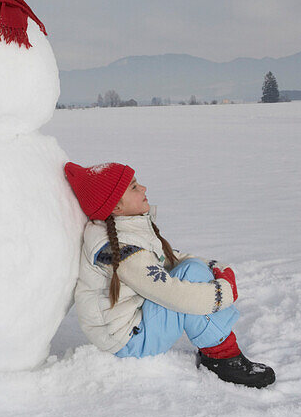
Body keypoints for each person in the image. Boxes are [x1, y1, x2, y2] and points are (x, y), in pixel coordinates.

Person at [63, 161, 275, 388]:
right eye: (134, 187)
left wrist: (214, 267)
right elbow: (171, 293)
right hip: (128, 342)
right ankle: (222, 357)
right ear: (116, 206)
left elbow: (168, 257)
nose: (143, 189)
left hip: (129, 329)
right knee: (190, 276)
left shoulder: (123, 228)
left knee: (193, 268)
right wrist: (223, 292)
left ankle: (218, 344)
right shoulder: (118, 250)